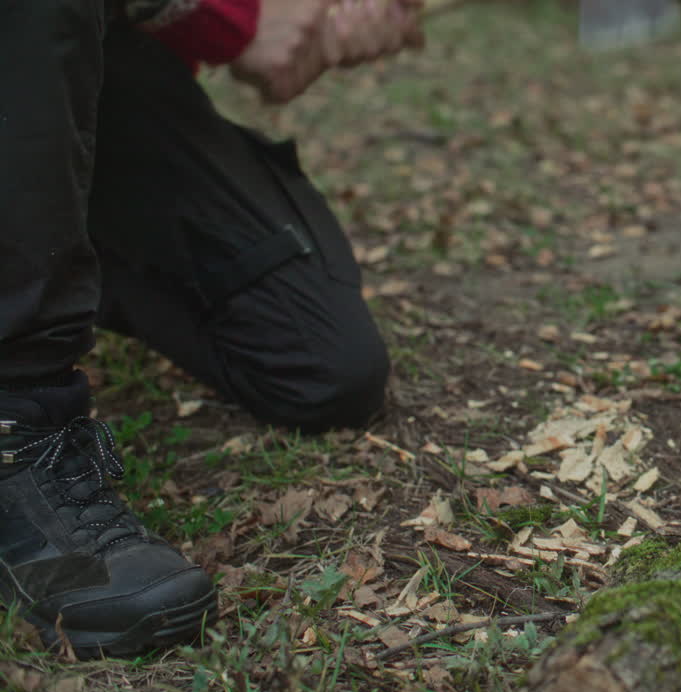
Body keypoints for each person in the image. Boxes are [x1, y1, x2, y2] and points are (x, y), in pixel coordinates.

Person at [0, 0, 420, 657]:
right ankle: (14, 424)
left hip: (84, 65)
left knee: (317, 360)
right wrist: (232, 18)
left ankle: (43, 255)